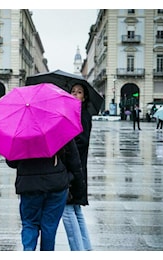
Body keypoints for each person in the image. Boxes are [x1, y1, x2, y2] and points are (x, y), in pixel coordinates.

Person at [6, 139, 85, 251]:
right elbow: (73, 159)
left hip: (29, 185)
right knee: (49, 227)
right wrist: (75, 183)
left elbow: (12, 162)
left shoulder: (20, 131)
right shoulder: (58, 125)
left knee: (30, 223)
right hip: (56, 184)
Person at [61, 83, 92, 251]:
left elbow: (82, 141)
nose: (75, 94)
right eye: (72, 92)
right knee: (76, 210)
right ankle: (86, 249)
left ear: (84, 97)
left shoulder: (82, 115)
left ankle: (78, 251)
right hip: (77, 168)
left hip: (74, 168)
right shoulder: (74, 114)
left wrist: (65, 143)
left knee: (67, 210)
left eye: (79, 92)